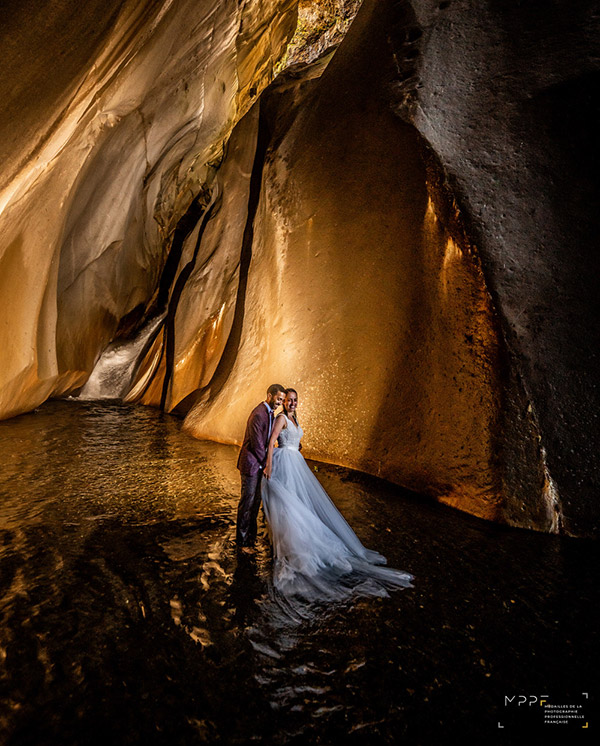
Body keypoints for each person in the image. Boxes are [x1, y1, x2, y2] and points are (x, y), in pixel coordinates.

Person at [262, 388, 414, 599]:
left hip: (296, 462)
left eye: (295, 400)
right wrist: (269, 465)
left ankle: (300, 540)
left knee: (300, 504)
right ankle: (292, 544)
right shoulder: (281, 418)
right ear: (284, 402)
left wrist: (297, 446)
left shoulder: (294, 418)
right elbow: (271, 442)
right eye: (289, 400)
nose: (292, 403)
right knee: (289, 505)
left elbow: (295, 441)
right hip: (285, 462)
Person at [236, 383, 286, 549]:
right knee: (247, 502)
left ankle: (250, 538)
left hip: (257, 464)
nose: (280, 402)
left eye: (282, 400)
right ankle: (241, 541)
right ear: (270, 395)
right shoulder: (259, 414)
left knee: (255, 502)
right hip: (251, 465)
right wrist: (268, 465)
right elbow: (257, 445)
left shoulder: (269, 413)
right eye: (279, 399)